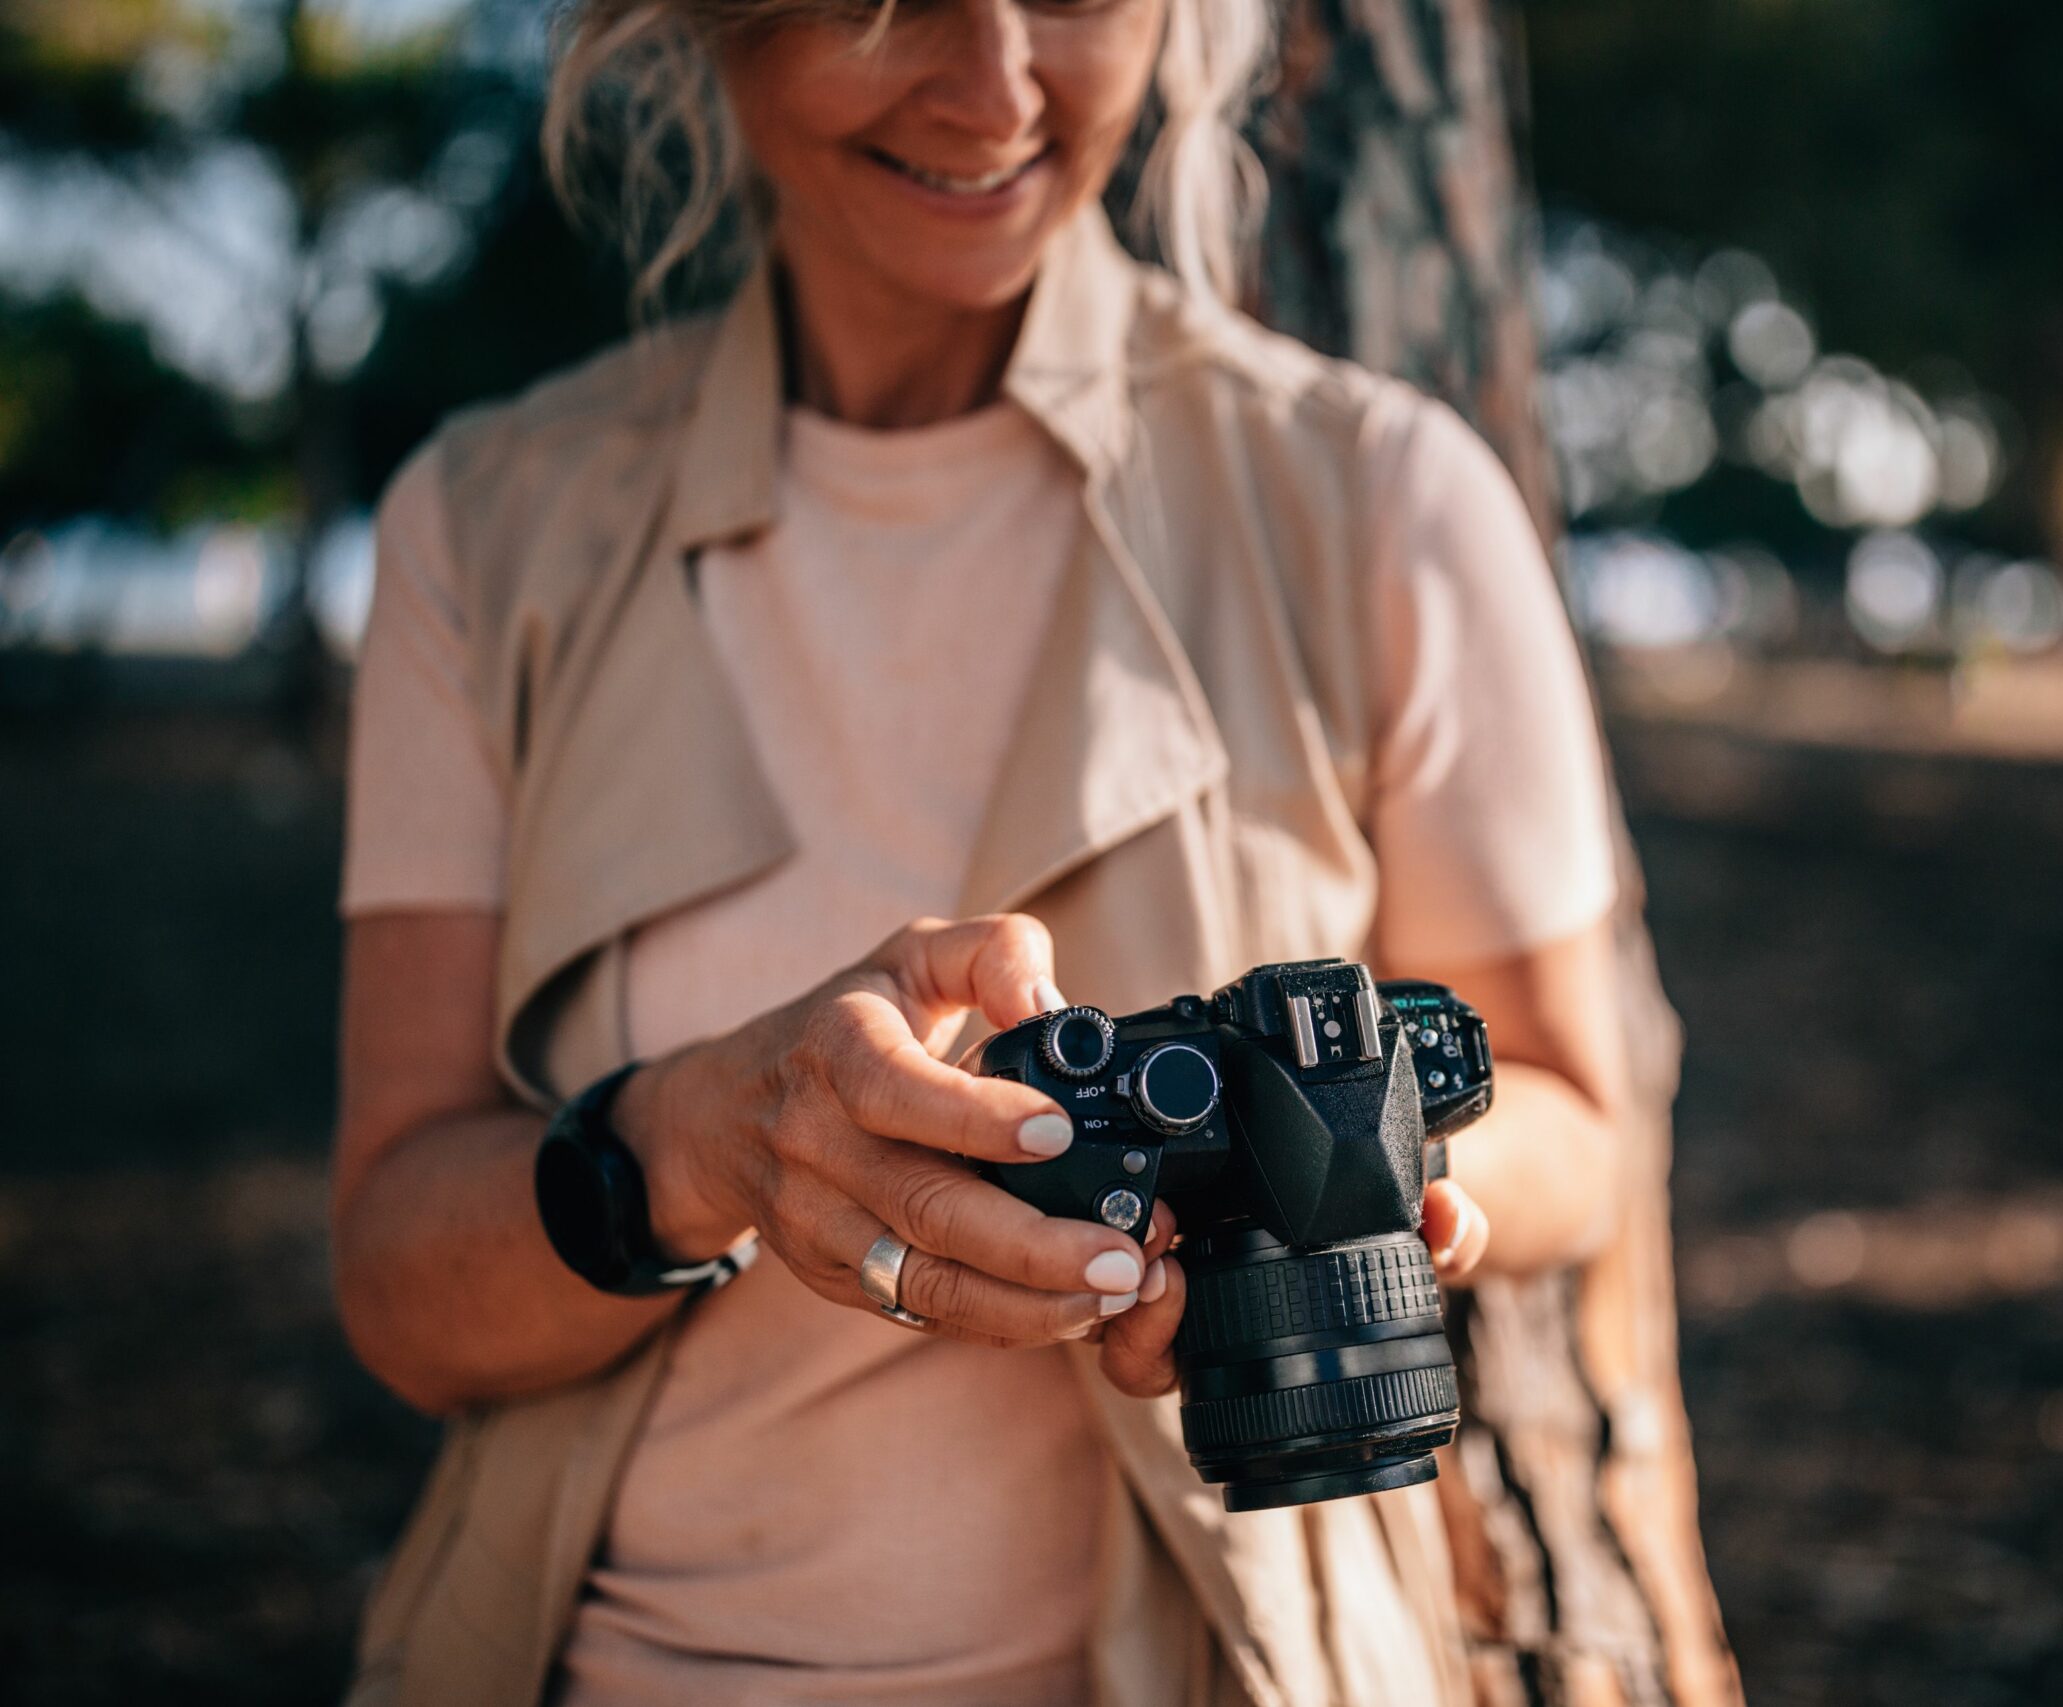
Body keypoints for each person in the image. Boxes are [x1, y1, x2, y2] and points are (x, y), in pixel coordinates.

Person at [329, 1, 1651, 1702]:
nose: (997, 88)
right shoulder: (488, 524)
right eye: (893, 1)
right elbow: (399, 1285)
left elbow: (1575, 1115)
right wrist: (697, 1143)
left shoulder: (1381, 498)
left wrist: (1329, 1172)